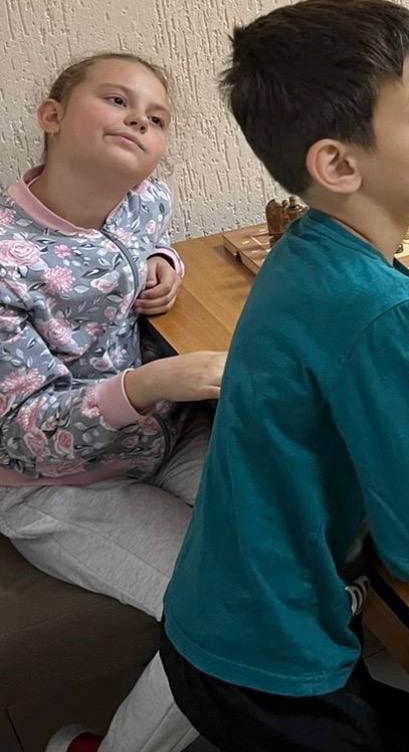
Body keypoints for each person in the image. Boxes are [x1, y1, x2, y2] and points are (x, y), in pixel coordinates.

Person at [159, 0, 409, 750]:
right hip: (274, 664)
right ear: (337, 164)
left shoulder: (304, 251)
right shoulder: (376, 310)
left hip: (211, 621)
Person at [0, 52, 225, 752]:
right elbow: (20, 432)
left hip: (160, 441)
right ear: (52, 116)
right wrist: (147, 386)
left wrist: (165, 264)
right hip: (55, 485)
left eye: (156, 117)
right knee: (225, 612)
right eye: (118, 101)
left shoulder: (142, 200)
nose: (138, 120)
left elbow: (151, 238)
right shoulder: (7, 260)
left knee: (295, 524)